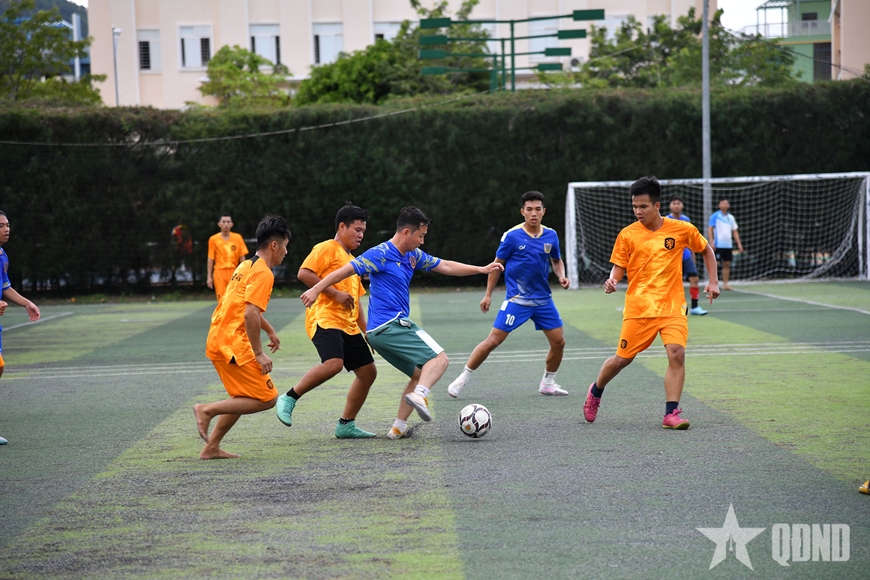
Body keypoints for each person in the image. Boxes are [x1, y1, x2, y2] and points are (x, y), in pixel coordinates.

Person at [300, 206, 503, 439]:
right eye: (421, 236)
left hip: (378, 333)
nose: (422, 242)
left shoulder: (413, 255)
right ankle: (420, 395)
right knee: (440, 360)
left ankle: (398, 427)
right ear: (406, 232)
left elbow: (445, 266)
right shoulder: (381, 253)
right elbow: (345, 270)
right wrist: (315, 289)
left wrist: (481, 269)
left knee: (419, 374)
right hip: (391, 325)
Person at [583, 177, 719, 429]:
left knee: (677, 353)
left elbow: (706, 249)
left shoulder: (682, 229)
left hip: (672, 307)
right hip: (639, 309)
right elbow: (618, 267)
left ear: (657, 205)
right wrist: (612, 281)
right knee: (622, 360)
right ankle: (596, 390)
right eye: (634, 206)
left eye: (643, 206)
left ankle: (671, 413)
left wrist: (713, 281)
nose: (638, 211)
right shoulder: (627, 234)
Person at [447, 191, 570, 398]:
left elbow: (556, 260)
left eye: (537, 209)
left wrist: (561, 276)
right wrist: (488, 295)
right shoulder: (512, 236)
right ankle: (462, 379)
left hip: (543, 301)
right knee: (493, 341)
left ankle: (548, 383)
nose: (533, 213)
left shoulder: (551, 235)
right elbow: (496, 266)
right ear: (522, 212)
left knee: (559, 342)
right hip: (517, 300)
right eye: (529, 209)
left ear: (544, 211)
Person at [275, 203, 377, 438]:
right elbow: (304, 273)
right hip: (325, 318)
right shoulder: (327, 248)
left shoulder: (353, 261)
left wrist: (368, 332)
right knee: (333, 364)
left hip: (348, 326)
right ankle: (289, 397)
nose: (361, 235)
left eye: (363, 231)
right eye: (357, 229)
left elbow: (356, 302)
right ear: (342, 227)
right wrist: (335, 294)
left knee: (368, 372)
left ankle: (346, 424)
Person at [194, 215, 289, 459]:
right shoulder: (264, 273)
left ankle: (211, 447)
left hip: (218, 338)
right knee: (268, 398)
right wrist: (258, 353)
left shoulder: (245, 266)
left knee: (242, 395)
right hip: (232, 344)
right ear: (274, 245)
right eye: (285, 246)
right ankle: (206, 410)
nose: (286, 252)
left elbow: (242, 306)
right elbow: (250, 313)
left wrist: (269, 329)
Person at [0, 211, 42, 445]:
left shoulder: (2, 255)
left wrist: (27, 303)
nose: (6, 229)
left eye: (7, 225)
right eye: (1, 226)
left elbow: (5, 287)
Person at [667, 196, 707, 316]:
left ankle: (695, 307)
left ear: (682, 205)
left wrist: (692, 255)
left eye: (678, 203)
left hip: (686, 255)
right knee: (671, 283)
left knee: (694, 278)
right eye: (674, 203)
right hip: (671, 257)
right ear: (670, 206)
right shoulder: (665, 220)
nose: (676, 205)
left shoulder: (686, 220)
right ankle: (671, 307)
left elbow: (690, 239)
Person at [207, 213, 249, 301]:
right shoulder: (213, 239)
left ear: (232, 224)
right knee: (222, 300)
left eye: (228, 222)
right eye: (223, 222)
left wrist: (245, 273)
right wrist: (209, 276)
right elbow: (211, 258)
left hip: (234, 271)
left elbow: (242, 257)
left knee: (234, 298)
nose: (226, 224)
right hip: (219, 272)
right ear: (219, 224)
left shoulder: (238, 238)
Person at [707, 199, 743, 290]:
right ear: (719, 205)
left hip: (728, 245)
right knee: (715, 264)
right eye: (722, 203)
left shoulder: (731, 217)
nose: (724, 205)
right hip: (718, 244)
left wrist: (739, 244)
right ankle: (712, 283)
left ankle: (725, 283)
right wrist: (711, 242)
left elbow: (734, 231)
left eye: (726, 203)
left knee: (727, 264)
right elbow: (710, 229)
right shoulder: (715, 216)